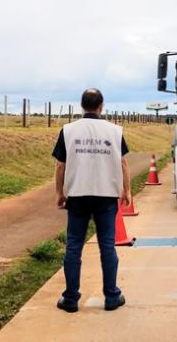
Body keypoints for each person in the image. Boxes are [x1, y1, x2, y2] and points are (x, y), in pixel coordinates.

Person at [52, 88, 131, 313]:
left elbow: (60, 165)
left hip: (77, 195)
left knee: (74, 244)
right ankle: (112, 296)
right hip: (106, 196)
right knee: (107, 244)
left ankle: (70, 299)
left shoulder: (68, 131)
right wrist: (127, 191)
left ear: (82, 105)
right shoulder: (114, 131)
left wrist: (59, 192)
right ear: (101, 106)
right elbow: (123, 163)